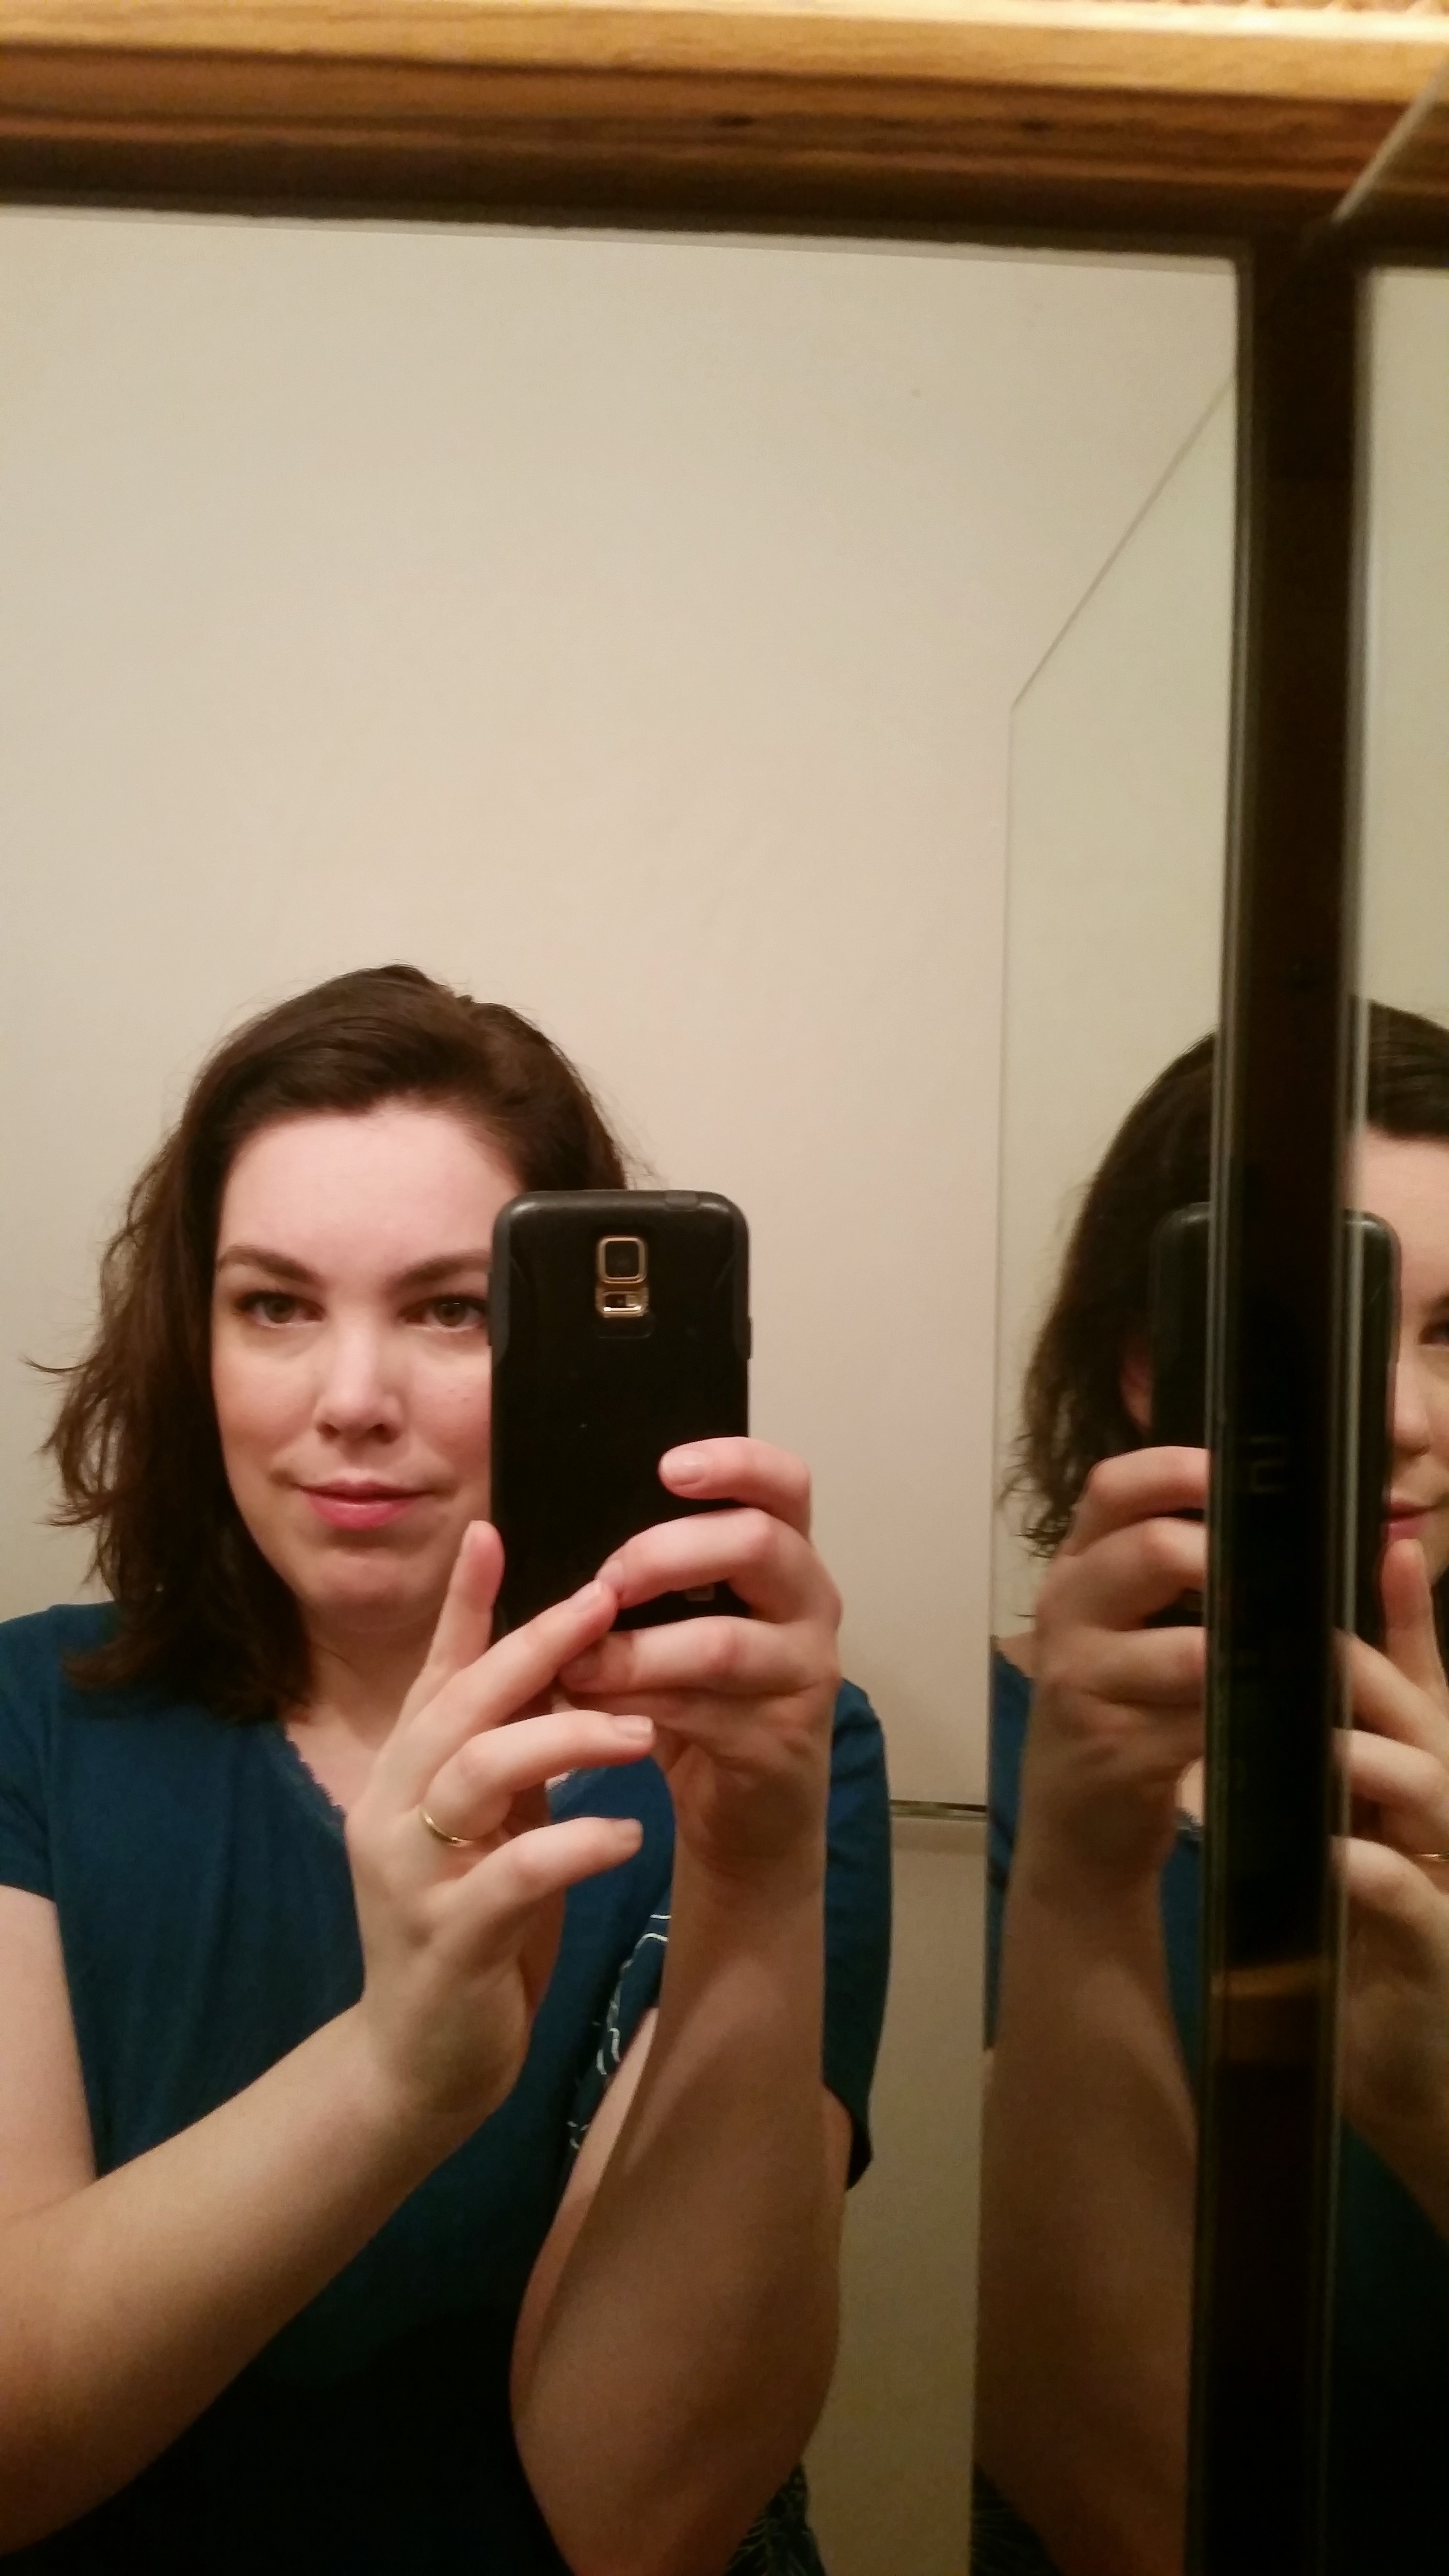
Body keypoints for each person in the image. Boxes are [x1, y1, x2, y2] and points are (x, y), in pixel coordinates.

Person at [0, 965, 891, 2576]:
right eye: (275, 1305)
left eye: (450, 1309)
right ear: (191, 1339)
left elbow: (642, 2522)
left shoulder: (764, 1751)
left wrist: (752, 1878)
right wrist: (393, 2077)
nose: (352, 1403)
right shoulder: (28, 1718)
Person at [975, 1001, 1449, 2576]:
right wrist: (1087, 1865)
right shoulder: (975, 1771)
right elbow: (1123, 2514)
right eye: (1334, 1321)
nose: (1402, 1418)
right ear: (1147, 1366)